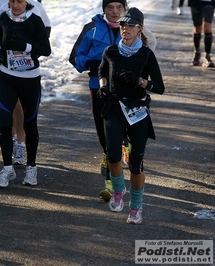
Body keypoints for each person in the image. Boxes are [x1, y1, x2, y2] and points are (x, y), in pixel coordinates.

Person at [69, 0, 157, 201]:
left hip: (130, 92)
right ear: (104, 9)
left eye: (119, 7)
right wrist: (92, 63)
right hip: (101, 90)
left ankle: (111, 181)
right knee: (105, 135)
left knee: (123, 135)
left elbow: (151, 46)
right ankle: (112, 162)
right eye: (110, 7)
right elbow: (75, 58)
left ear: (125, 9)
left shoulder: (132, 26)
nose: (115, 12)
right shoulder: (91, 28)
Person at [97, 7, 165, 224]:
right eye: (123, 25)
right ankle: (118, 191)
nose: (125, 29)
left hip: (138, 111)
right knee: (113, 155)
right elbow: (101, 70)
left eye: (130, 26)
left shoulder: (146, 54)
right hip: (115, 107)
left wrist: (140, 81)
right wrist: (103, 86)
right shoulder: (111, 51)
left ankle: (136, 207)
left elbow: (160, 87)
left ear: (140, 29)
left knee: (136, 165)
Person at [0, 0, 51, 166]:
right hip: (5, 67)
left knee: (22, 109)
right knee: (12, 107)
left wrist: (30, 50)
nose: (15, 5)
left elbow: (45, 32)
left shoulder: (36, 7)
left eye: (19, 1)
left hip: (28, 70)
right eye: (13, 2)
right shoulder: (0, 5)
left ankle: (20, 143)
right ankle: (11, 144)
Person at [188, 0, 215, 67]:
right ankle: (197, 53)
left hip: (209, 2)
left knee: (207, 26)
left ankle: (207, 56)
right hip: (196, 3)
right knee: (197, 29)